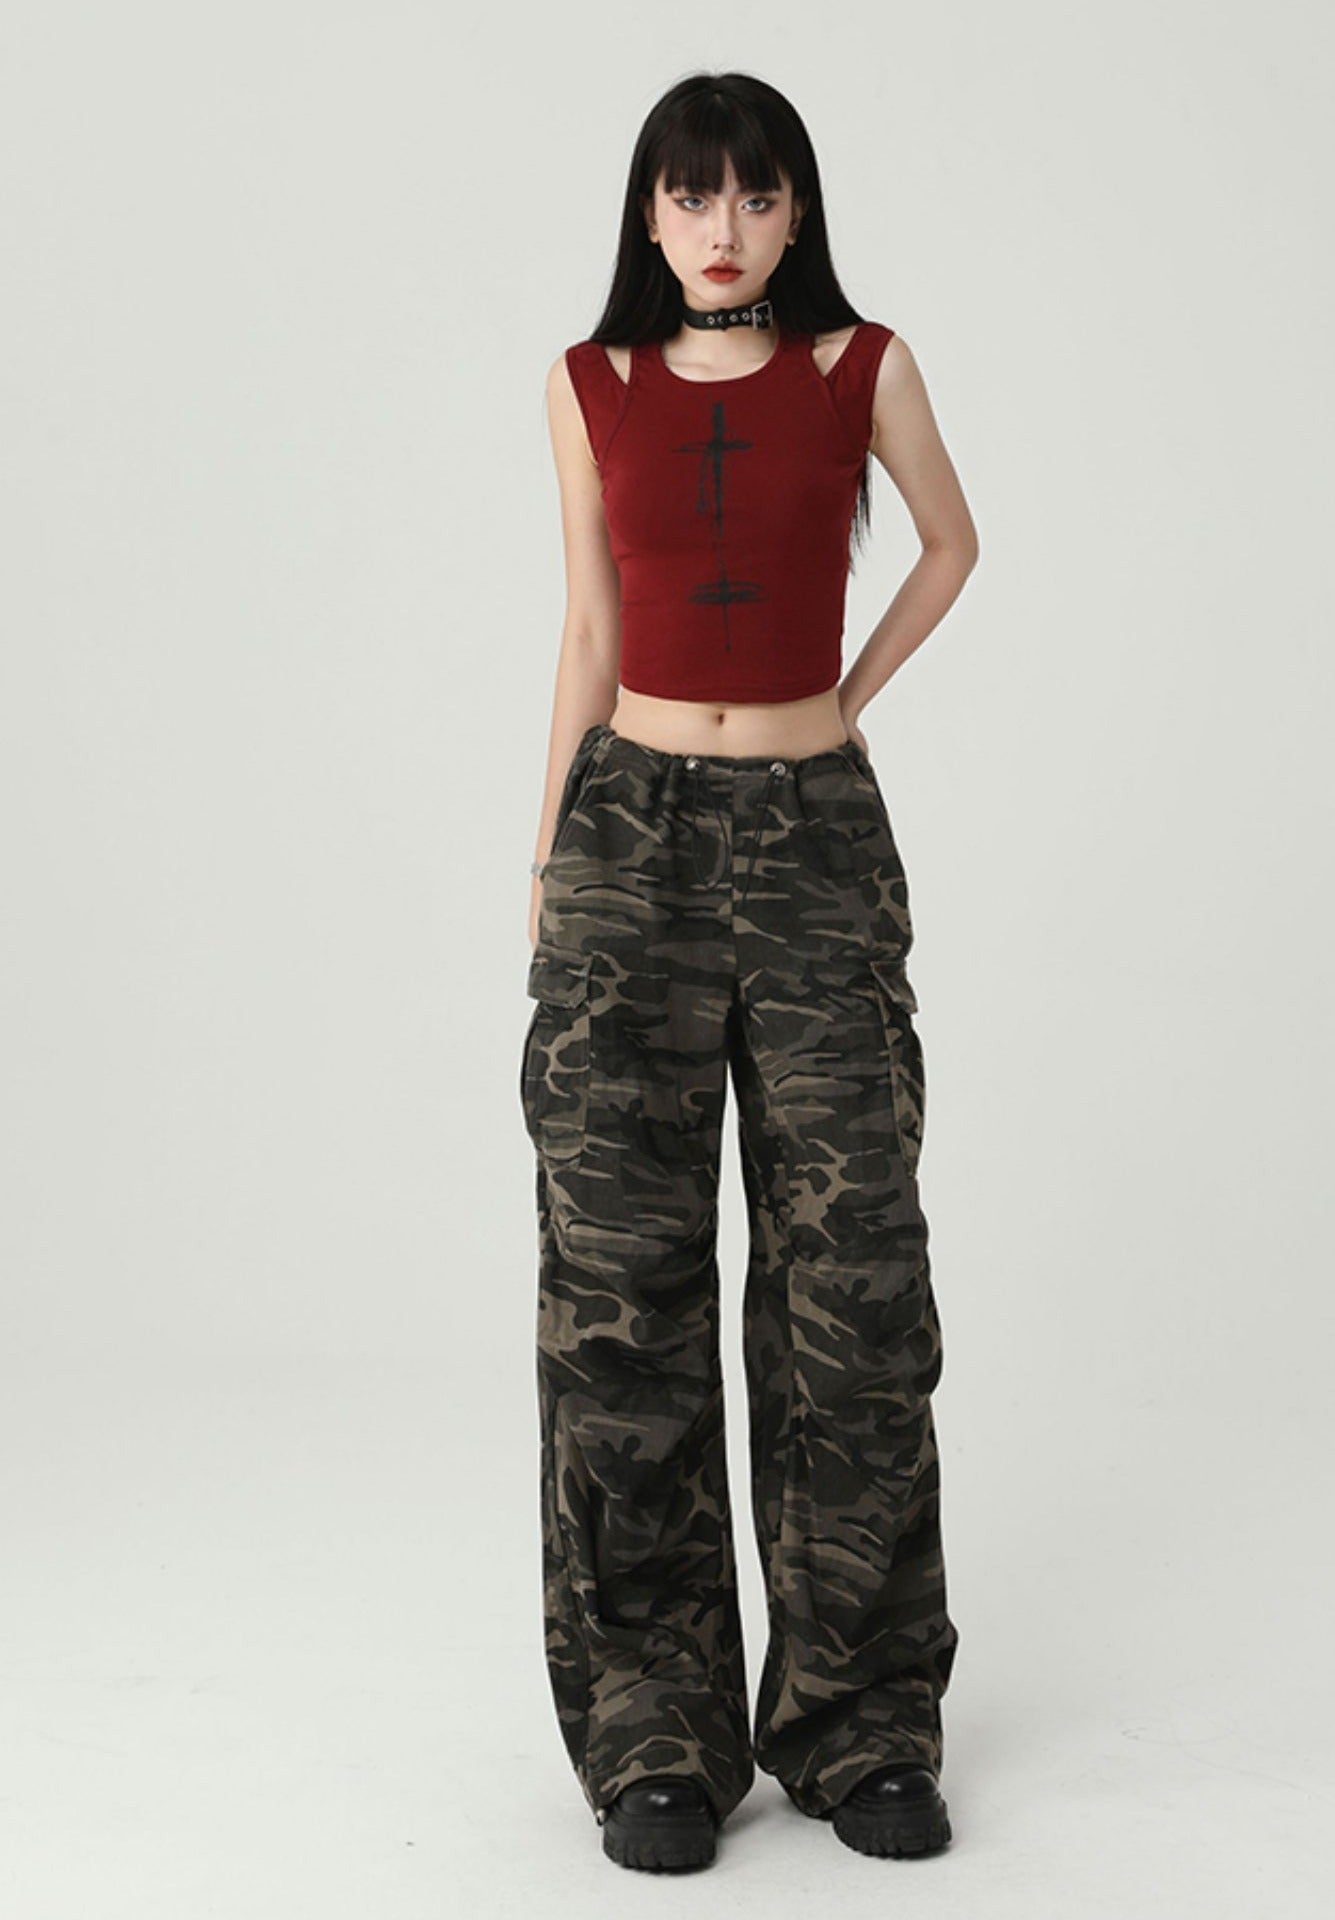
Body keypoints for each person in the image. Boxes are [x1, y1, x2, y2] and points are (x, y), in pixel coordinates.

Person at [521, 70, 979, 1873]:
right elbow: (589, 630)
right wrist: (545, 866)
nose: (724, 230)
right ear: (650, 214)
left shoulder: (865, 366)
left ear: (798, 212)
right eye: (692, 196)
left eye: (758, 196)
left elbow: (952, 542)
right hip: (628, 841)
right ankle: (654, 1728)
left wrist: (839, 704)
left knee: (851, 1282)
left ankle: (862, 1723)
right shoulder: (590, 386)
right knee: (621, 1293)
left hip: (814, 844)